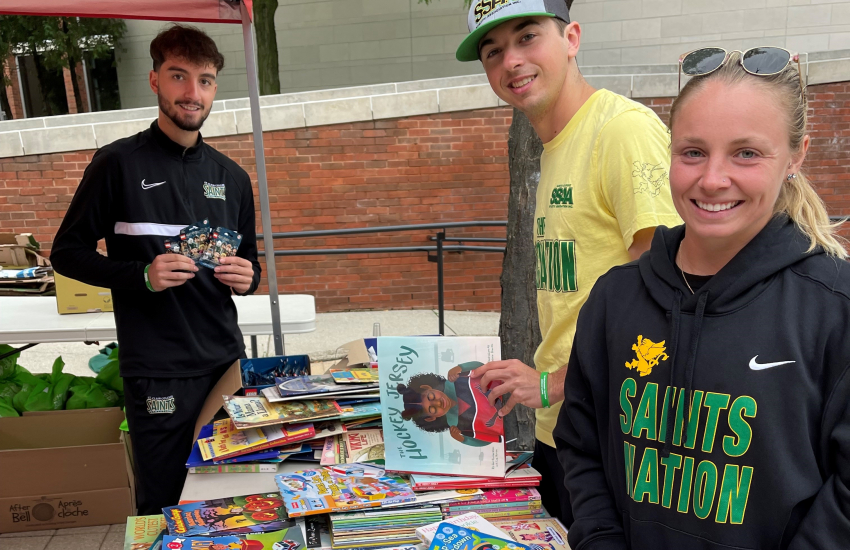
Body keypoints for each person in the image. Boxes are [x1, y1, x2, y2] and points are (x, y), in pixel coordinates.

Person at [555, 47, 850, 548]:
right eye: (692, 152)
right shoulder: (614, 298)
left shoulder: (833, 306)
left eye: (746, 153)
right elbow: (582, 448)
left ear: (796, 155)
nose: (713, 179)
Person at [454, 0, 682, 524]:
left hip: (615, 434)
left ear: (572, 38)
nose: (511, 60)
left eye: (527, 37)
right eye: (493, 51)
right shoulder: (555, 146)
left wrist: (554, 383)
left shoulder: (621, 130)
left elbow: (672, 294)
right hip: (562, 427)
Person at [50, 24, 260, 513]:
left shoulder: (232, 177)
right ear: (154, 81)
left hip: (225, 362)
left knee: (228, 497)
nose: (193, 93)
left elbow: (251, 266)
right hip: (157, 370)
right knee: (164, 500)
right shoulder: (117, 163)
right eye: (179, 77)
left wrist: (248, 279)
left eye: (205, 80)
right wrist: (141, 275)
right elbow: (66, 252)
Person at [396, 361, 504, 446]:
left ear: (427, 387)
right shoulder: (458, 427)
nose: (438, 403)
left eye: (431, 396)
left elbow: (482, 368)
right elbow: (489, 438)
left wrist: (461, 368)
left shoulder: (458, 380)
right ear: (431, 418)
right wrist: (463, 439)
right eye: (433, 409)